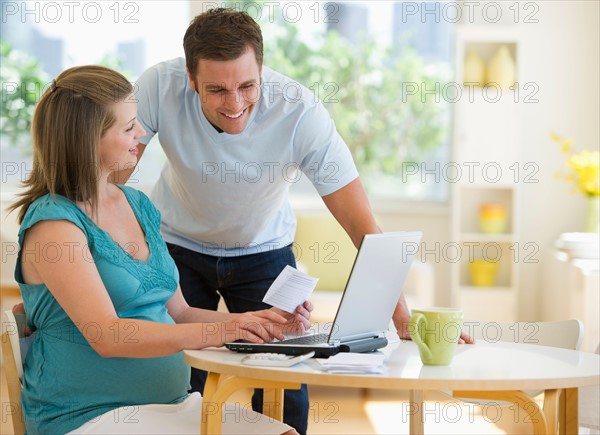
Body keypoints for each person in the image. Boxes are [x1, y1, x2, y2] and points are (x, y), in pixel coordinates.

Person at [8, 65, 311, 435]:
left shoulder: (138, 204)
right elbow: (107, 334)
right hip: (88, 416)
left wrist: (259, 323)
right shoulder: (55, 226)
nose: (140, 134)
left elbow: (180, 314)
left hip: (171, 406)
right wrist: (224, 330)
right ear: (88, 141)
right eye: (128, 126)